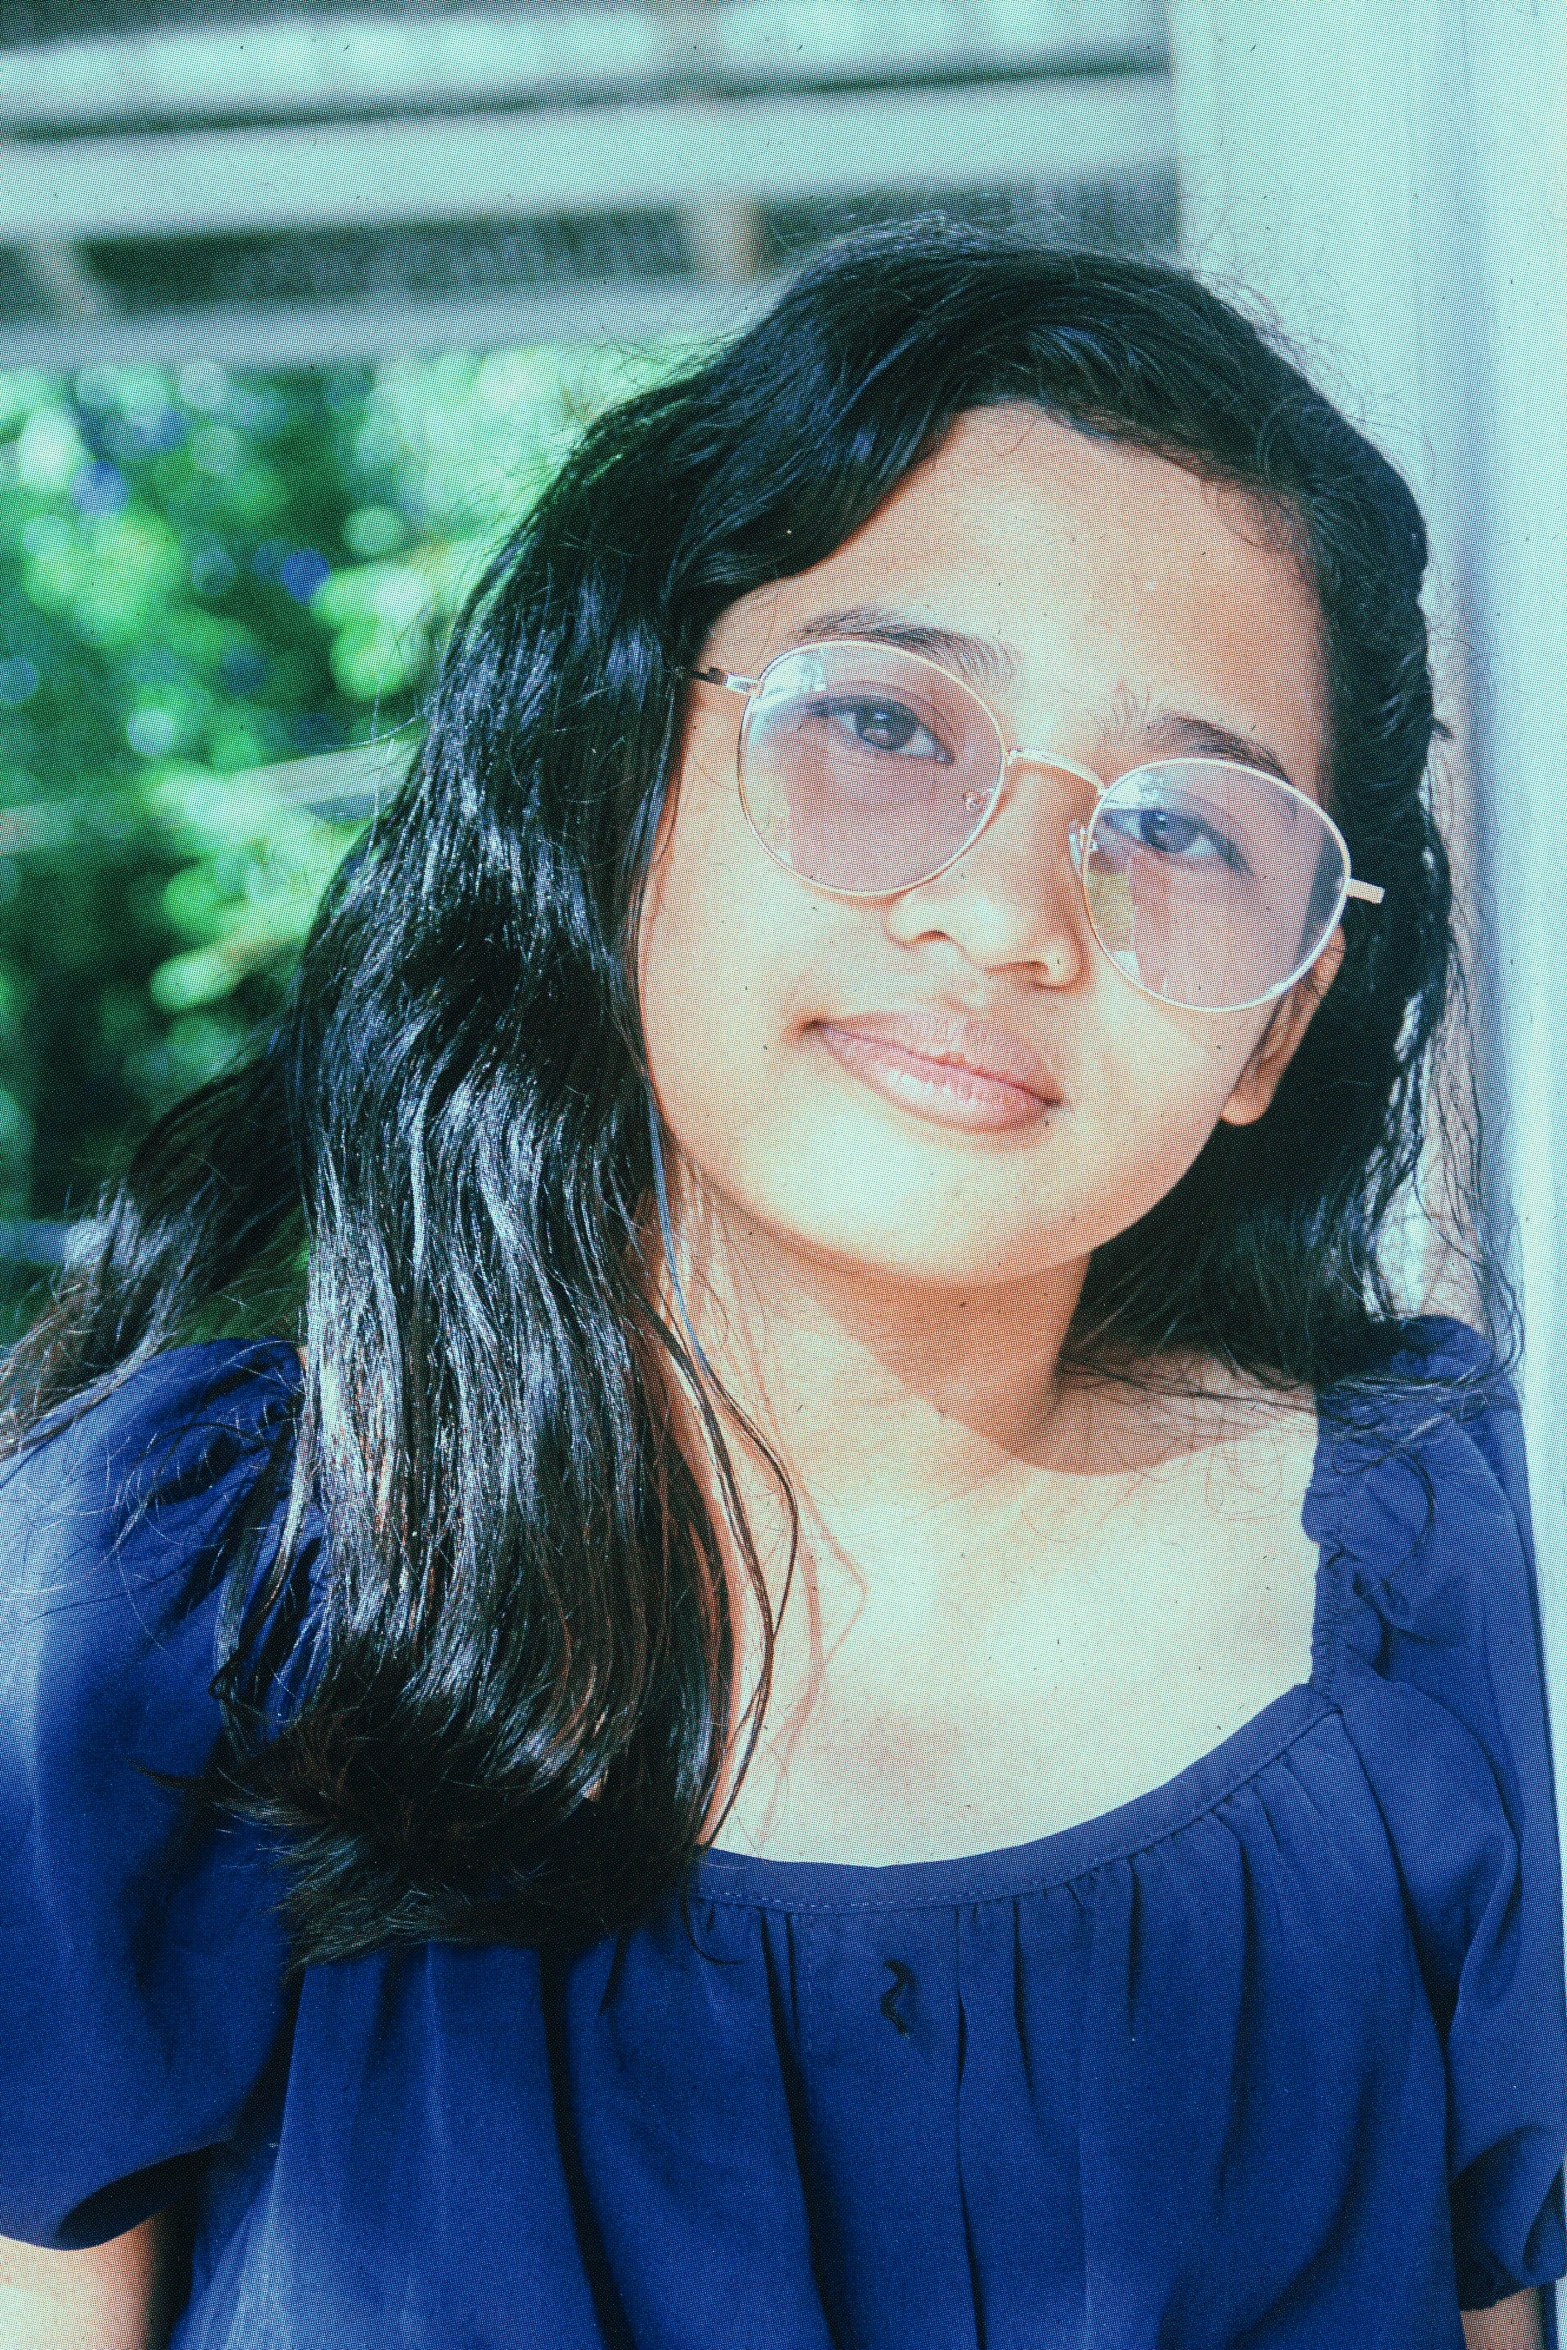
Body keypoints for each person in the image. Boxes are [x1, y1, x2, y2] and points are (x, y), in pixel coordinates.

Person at [0, 225, 1561, 2350]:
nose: (1014, 909)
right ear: (623, 771)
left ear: (1280, 1021)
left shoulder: (1433, 1588)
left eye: (1187, 830)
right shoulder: (179, 1596)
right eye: (884, 723)